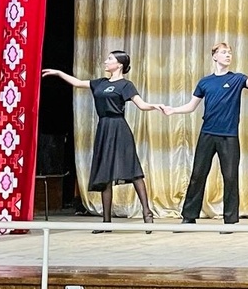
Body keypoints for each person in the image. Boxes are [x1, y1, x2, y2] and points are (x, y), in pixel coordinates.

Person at [41, 51, 160, 232]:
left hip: (119, 128)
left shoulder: (126, 85)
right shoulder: (100, 83)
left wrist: (156, 106)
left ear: (119, 64)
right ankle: (106, 222)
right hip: (103, 128)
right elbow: (77, 83)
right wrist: (58, 73)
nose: (106, 61)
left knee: (133, 170)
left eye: (110, 59)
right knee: (104, 173)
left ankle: (147, 213)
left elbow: (142, 105)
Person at [161, 42, 248, 228]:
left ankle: (230, 220)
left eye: (229, 53)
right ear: (214, 56)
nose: (228, 55)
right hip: (207, 134)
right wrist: (173, 110)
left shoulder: (237, 79)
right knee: (198, 175)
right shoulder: (205, 82)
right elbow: (191, 106)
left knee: (230, 177)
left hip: (229, 136)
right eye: (223, 52)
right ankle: (188, 216)